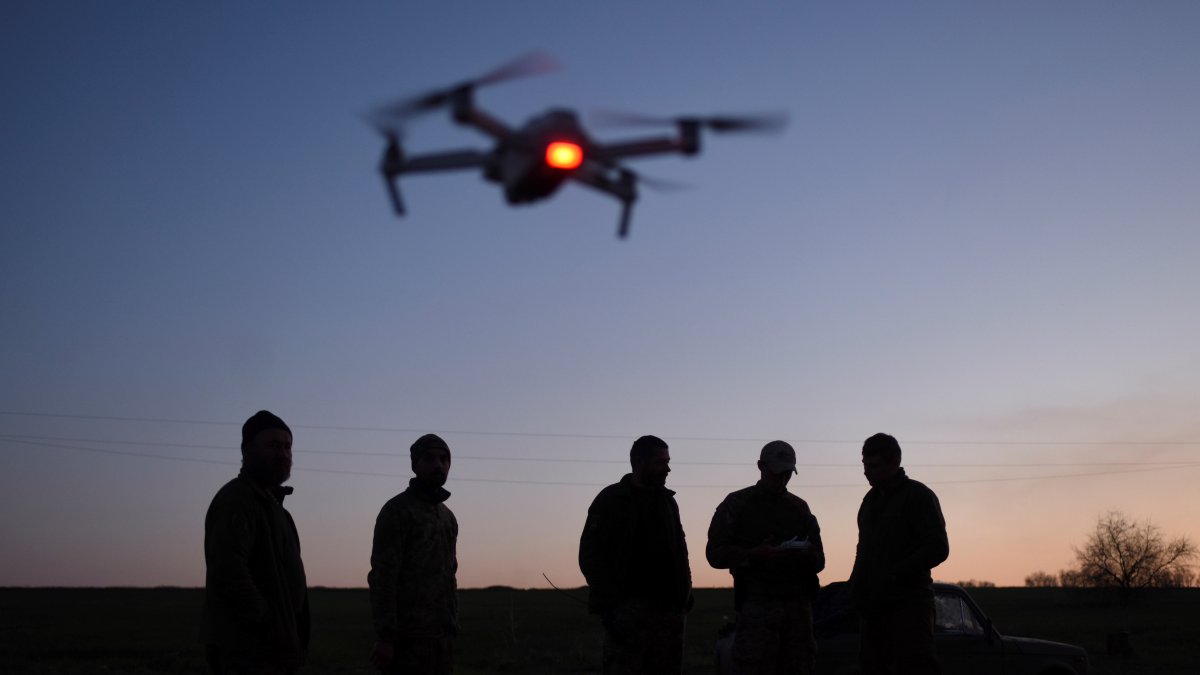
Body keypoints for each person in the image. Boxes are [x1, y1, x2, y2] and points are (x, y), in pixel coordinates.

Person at [203, 410, 309, 675]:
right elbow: (228, 571)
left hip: (275, 651)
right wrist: (266, 621)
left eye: (287, 446)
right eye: (272, 445)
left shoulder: (276, 509)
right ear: (247, 449)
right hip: (249, 653)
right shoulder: (237, 500)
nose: (283, 453)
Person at [707, 440, 825, 675]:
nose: (782, 479)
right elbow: (715, 554)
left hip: (798, 614)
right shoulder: (737, 504)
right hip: (757, 611)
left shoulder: (800, 508)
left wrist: (805, 555)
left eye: (787, 474)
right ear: (761, 466)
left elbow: (820, 560)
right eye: (777, 472)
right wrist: (752, 555)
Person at [579, 435, 693, 675]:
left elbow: (680, 549)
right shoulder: (610, 500)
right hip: (628, 613)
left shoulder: (668, 502)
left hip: (669, 612)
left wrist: (685, 593)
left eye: (668, 461)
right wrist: (614, 605)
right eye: (660, 462)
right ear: (640, 463)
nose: (668, 469)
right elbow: (590, 556)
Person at [850, 433, 949, 675]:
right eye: (864, 465)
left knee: (916, 666)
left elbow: (938, 548)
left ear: (894, 462)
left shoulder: (919, 496)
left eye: (873, 465)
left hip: (910, 606)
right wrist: (854, 588)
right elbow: (862, 550)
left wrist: (895, 574)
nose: (866, 471)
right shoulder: (869, 502)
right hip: (873, 607)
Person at [368, 433, 459, 675]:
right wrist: (386, 637)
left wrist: (451, 625)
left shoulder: (448, 517)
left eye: (444, 459)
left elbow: (450, 574)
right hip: (408, 640)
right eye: (429, 458)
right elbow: (383, 576)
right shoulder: (397, 511)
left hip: (441, 637)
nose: (438, 465)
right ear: (415, 464)